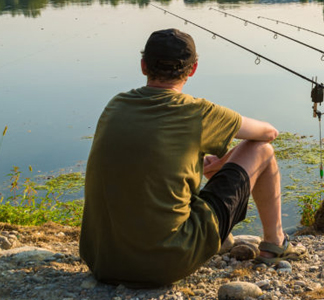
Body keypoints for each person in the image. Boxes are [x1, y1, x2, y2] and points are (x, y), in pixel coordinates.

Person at [79, 28, 295, 288]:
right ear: (192, 70)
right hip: (165, 263)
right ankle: (275, 244)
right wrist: (223, 160)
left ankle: (222, 237)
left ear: (143, 65)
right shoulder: (197, 112)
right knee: (262, 151)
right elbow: (268, 133)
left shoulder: (115, 105)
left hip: (102, 261)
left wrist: (209, 160)